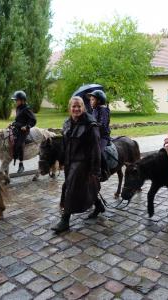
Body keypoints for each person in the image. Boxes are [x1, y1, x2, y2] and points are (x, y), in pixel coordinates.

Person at [51, 96, 104, 233]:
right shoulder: (67, 123)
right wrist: (61, 161)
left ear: (83, 107)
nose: (76, 109)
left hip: (83, 163)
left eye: (79, 106)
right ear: (70, 108)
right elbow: (65, 144)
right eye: (73, 106)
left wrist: (95, 171)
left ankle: (65, 220)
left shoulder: (90, 125)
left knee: (70, 189)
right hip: (70, 162)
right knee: (82, 187)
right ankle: (98, 205)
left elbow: (96, 149)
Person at [10, 91, 36, 173]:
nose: (15, 102)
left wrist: (27, 126)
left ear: (22, 100)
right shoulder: (18, 108)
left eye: (17, 100)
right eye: (15, 100)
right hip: (17, 128)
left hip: (24, 131)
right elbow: (18, 119)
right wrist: (12, 123)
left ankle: (21, 164)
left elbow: (33, 120)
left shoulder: (27, 109)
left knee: (19, 144)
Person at [88, 90, 111, 181]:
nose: (90, 101)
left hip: (103, 136)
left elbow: (102, 124)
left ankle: (105, 170)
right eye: (90, 100)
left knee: (99, 151)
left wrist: (92, 125)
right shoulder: (94, 110)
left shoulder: (104, 110)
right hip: (94, 135)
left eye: (93, 99)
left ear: (99, 100)